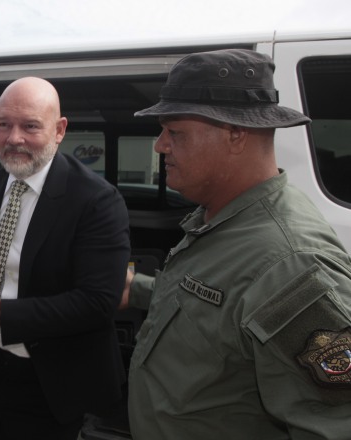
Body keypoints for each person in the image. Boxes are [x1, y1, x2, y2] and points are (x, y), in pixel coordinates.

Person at [123, 48, 351, 439]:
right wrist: (139, 290)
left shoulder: (289, 263)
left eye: (174, 132)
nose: (160, 145)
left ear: (235, 135)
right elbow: (222, 307)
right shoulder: (225, 219)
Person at [0, 77, 131, 440]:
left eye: (30, 126)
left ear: (59, 130)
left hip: (48, 383)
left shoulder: (96, 201)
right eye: (3, 125)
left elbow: (98, 303)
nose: (14, 138)